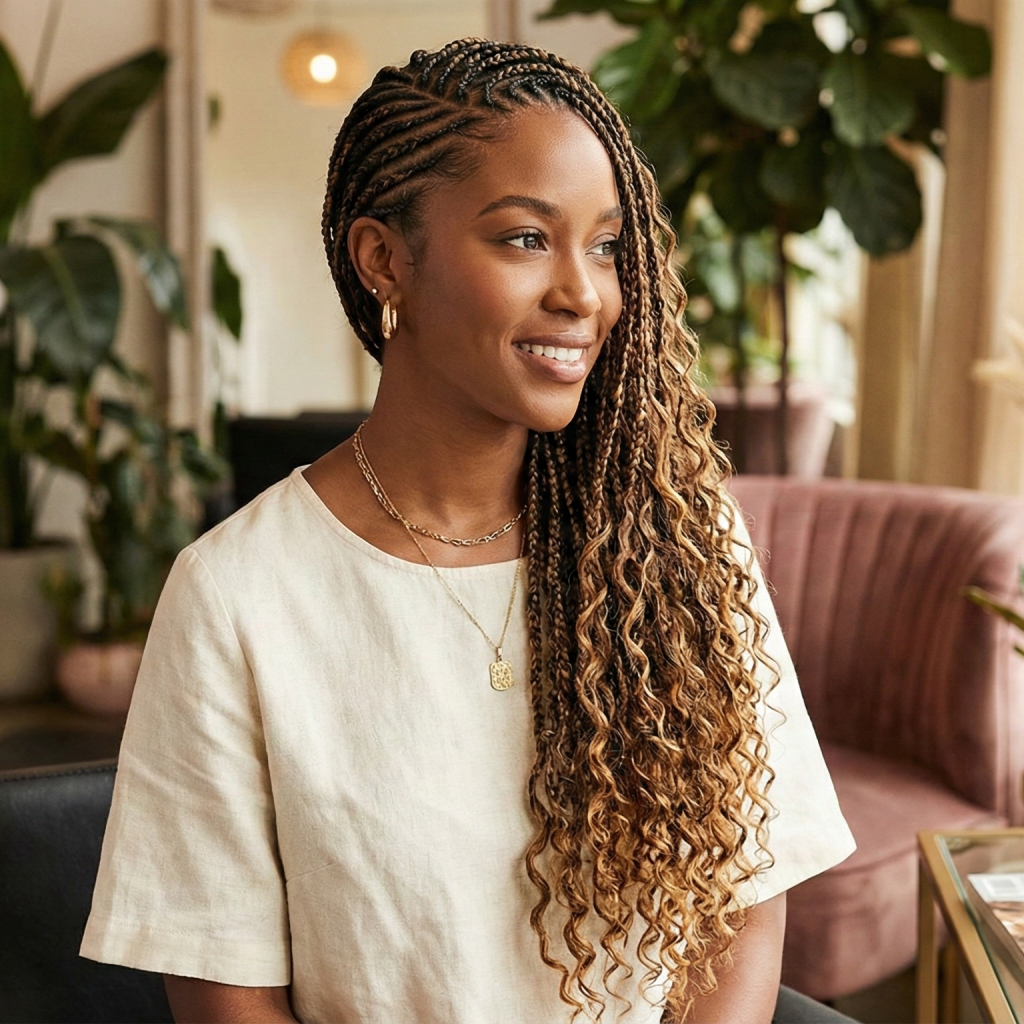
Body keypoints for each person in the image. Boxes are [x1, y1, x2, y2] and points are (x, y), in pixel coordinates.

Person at [81, 38, 856, 1024]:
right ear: (382, 259)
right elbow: (225, 993)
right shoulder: (238, 595)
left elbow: (743, 899)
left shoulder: (680, 542)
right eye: (526, 238)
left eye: (608, 244)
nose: (584, 293)